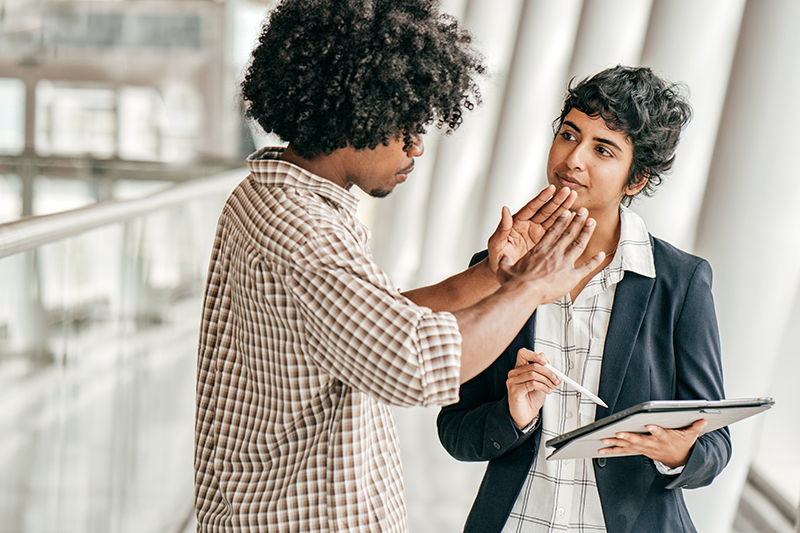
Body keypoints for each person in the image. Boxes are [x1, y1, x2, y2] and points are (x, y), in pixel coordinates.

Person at [193, 1, 606, 531]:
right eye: (405, 125)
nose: (417, 147)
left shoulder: (271, 200)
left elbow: (374, 321)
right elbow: (413, 361)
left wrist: (491, 277)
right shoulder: (304, 234)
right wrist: (529, 288)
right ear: (352, 110)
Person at [437, 65, 731, 533]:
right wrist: (513, 416)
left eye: (603, 149)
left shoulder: (680, 281)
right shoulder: (499, 265)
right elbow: (454, 430)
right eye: (569, 134)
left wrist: (680, 453)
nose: (574, 158)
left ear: (635, 181)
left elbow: (715, 442)